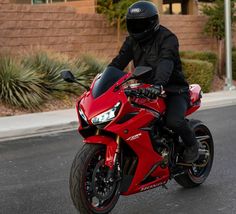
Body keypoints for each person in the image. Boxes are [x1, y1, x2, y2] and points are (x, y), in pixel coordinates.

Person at [109, 1, 199, 163]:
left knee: (174, 121)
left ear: (152, 22)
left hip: (173, 90)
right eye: (133, 24)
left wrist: (158, 85)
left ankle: (192, 145)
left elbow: (166, 62)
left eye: (141, 24)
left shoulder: (168, 39)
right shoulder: (132, 41)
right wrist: (104, 79)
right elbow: (118, 62)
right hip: (143, 90)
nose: (137, 28)